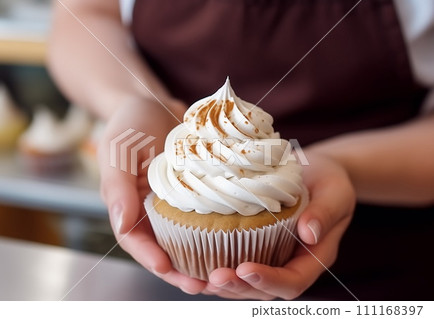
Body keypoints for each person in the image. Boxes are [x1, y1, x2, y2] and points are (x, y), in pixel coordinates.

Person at [47, 0, 434, 300]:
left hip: (386, 268)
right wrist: (136, 101)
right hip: (162, 270)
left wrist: (343, 165)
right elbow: (83, 14)